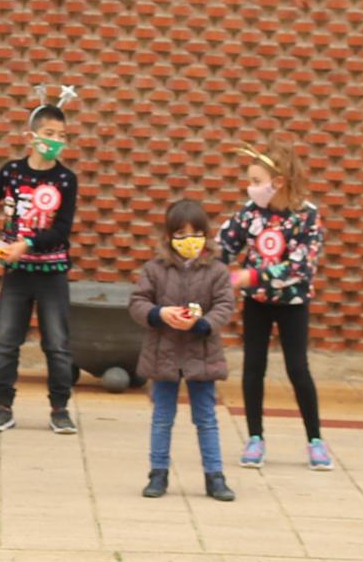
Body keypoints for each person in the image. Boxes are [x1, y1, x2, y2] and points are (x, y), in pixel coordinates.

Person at [0, 91, 82, 434]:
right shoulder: (12, 173)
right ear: (30, 137)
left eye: (62, 136)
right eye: (49, 134)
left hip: (52, 273)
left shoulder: (66, 180)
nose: (56, 141)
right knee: (6, 341)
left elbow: (62, 229)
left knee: (57, 343)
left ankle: (60, 408)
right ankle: (3, 407)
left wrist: (28, 242)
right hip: (16, 272)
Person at [216, 139, 330, 470]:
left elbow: (299, 267)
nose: (250, 188)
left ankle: (315, 440)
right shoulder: (249, 215)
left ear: (277, 182)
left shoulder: (307, 217)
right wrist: (208, 266)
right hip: (257, 304)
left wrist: (248, 277)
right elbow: (223, 247)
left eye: (256, 181)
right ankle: (255, 438)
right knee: (254, 367)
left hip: (293, 303)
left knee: (298, 368)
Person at [132, 200, 238, 501]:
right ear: (168, 237)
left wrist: (205, 323)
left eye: (195, 234)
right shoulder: (154, 269)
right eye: (180, 234)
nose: (188, 241)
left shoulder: (216, 270)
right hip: (162, 354)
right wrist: (160, 314)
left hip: (202, 356)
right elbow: (138, 302)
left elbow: (225, 305)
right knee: (162, 416)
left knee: (206, 418)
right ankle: (158, 473)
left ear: (205, 236)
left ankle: (214, 476)